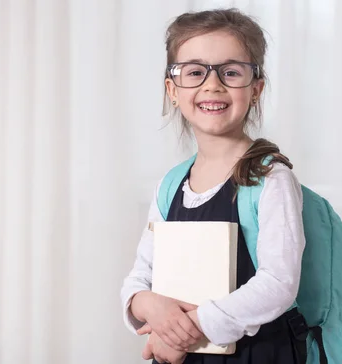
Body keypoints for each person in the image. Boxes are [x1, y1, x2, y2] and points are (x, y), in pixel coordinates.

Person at [120, 8, 307, 364]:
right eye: (194, 71)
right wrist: (145, 305)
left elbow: (278, 284)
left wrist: (185, 330)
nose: (212, 84)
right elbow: (142, 273)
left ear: (256, 89)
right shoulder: (171, 184)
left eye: (231, 72)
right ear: (172, 90)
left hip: (258, 355)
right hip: (186, 352)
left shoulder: (271, 178)